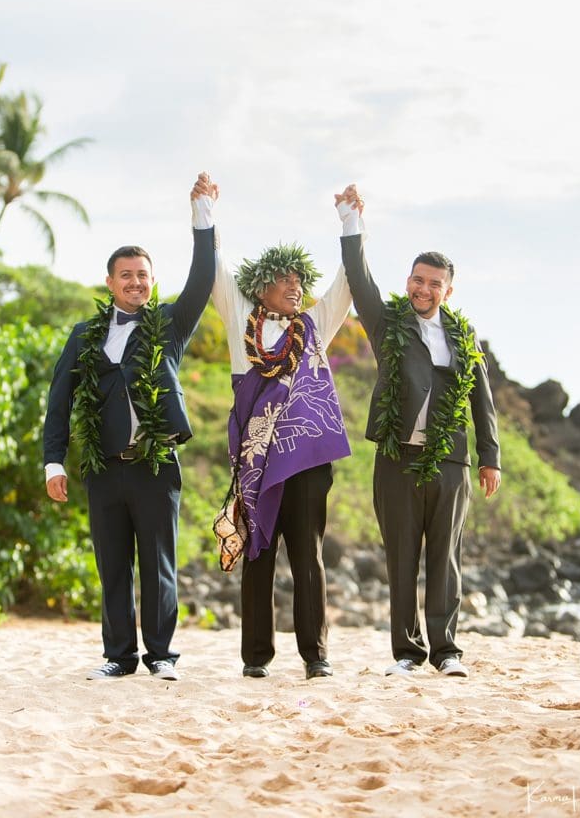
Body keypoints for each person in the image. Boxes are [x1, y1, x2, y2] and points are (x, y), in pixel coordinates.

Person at [44, 173, 217, 680]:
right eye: (126, 275)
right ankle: (118, 657)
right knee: (113, 566)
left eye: (143, 275)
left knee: (159, 564)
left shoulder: (169, 326)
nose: (136, 282)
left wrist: (203, 215)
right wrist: (54, 462)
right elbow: (60, 399)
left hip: (155, 465)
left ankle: (161, 655)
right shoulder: (84, 335)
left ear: (152, 281)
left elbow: (202, 279)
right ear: (110, 282)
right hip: (103, 469)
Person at [194, 176, 360, 679]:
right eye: (285, 280)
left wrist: (351, 220)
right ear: (260, 287)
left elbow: (346, 284)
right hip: (257, 461)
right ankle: (256, 658)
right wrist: (204, 209)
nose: (296, 287)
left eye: (299, 281)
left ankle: (316, 656)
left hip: (306, 462)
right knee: (258, 552)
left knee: (308, 556)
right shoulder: (239, 318)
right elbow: (215, 268)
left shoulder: (314, 325)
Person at [336, 184, 501, 679]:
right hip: (396, 459)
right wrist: (351, 221)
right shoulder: (387, 323)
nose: (423, 289)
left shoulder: (463, 336)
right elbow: (360, 279)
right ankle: (407, 653)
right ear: (408, 281)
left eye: (434, 284)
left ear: (448, 291)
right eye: (417, 280)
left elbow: (482, 398)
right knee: (402, 558)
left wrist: (490, 457)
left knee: (445, 557)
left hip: (450, 462)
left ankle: (446, 651)